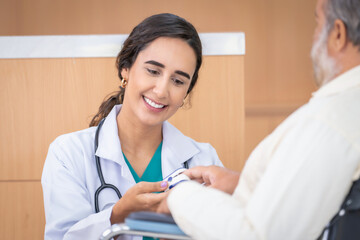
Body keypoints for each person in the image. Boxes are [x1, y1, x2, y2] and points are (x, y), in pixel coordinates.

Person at [157, 0, 360, 239]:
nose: (161, 91)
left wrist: (180, 196)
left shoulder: (330, 122)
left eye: (317, 24)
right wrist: (248, 185)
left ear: (338, 33)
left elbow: (257, 235)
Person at [41, 13, 223, 240]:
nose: (161, 90)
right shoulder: (69, 153)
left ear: (186, 92)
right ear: (125, 69)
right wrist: (116, 215)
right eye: (153, 71)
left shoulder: (204, 160)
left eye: (178, 81)